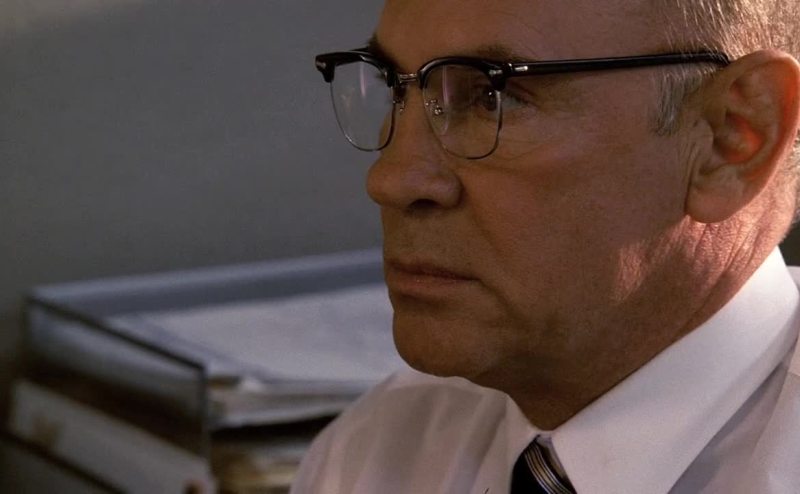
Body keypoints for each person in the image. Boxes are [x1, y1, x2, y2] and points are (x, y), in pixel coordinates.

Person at [295, 0, 800, 492]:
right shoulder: (374, 454)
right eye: (393, 87)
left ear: (732, 136)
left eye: (492, 96)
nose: (391, 180)